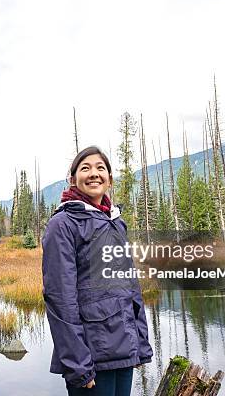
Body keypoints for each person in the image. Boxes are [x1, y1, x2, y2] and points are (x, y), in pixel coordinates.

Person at [42, 145, 153, 396]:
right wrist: (77, 365)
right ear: (73, 179)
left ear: (110, 180)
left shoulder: (115, 222)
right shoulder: (62, 225)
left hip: (124, 350)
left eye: (100, 168)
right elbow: (60, 299)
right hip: (91, 357)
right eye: (85, 168)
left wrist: (140, 345)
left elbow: (130, 288)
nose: (94, 174)